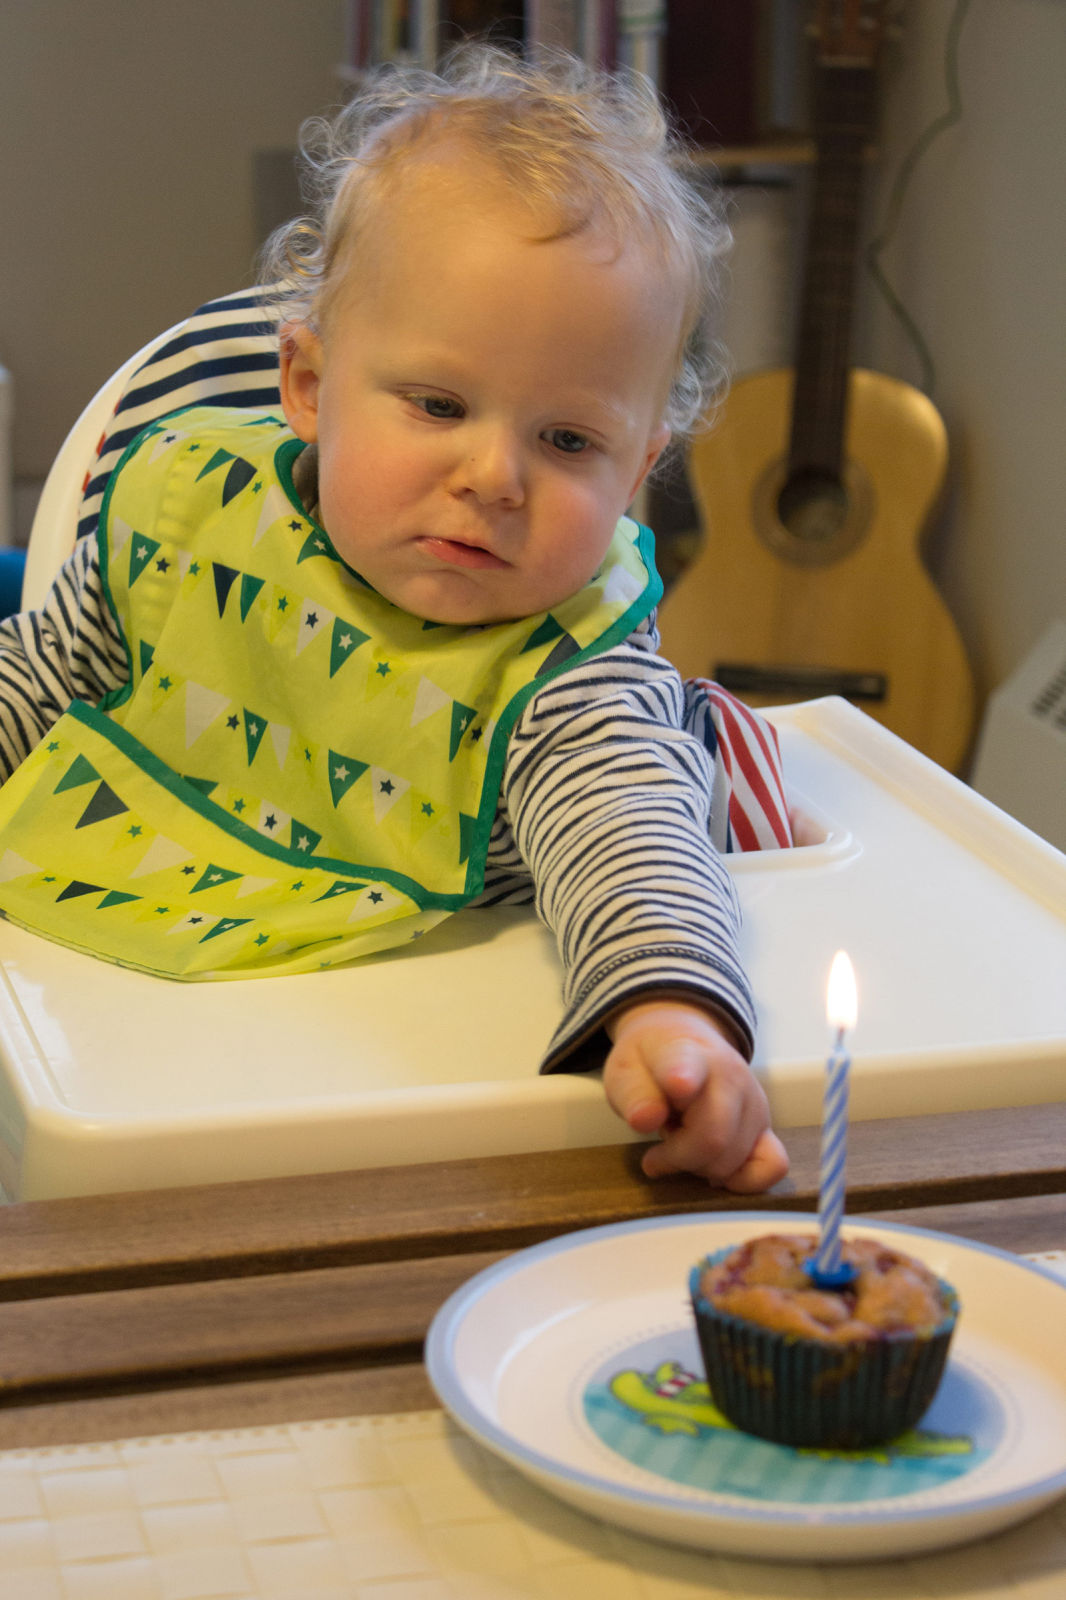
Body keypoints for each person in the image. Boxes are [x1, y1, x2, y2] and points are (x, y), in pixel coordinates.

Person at [0, 45, 789, 1192]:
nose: (495, 476)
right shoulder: (197, 530)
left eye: (568, 440)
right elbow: (37, 678)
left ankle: (733, 758)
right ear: (309, 386)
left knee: (683, 768)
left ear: (635, 474)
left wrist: (670, 1013)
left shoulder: (566, 665)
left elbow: (626, 840)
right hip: (162, 1035)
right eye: (438, 404)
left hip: (434, 1046)